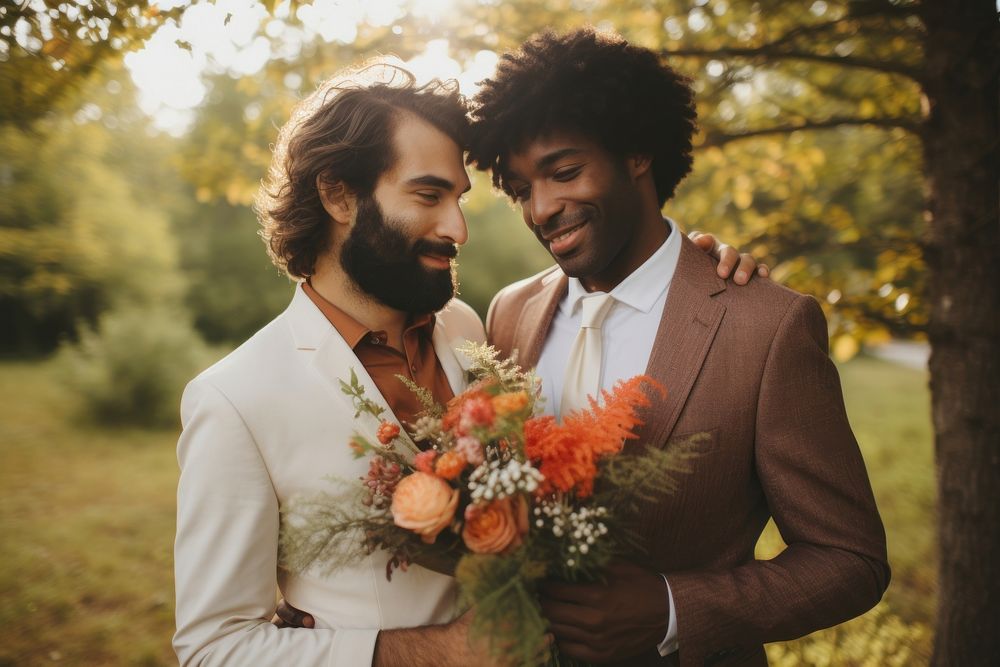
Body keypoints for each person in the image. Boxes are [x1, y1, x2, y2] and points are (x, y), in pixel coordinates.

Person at [173, 61, 760, 666]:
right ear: (338, 194)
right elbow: (213, 646)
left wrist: (687, 272)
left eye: (459, 199)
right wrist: (431, 653)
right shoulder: (235, 400)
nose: (457, 228)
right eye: (428, 195)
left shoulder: (470, 328)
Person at [466, 29, 890, 666]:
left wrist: (672, 608)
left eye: (564, 172)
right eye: (522, 189)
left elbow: (850, 559)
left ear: (637, 153)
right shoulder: (508, 312)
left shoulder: (768, 327)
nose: (542, 209)